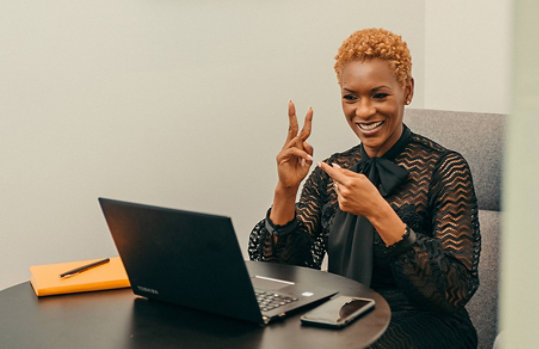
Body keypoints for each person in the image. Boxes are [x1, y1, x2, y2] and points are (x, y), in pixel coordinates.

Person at [248, 28, 480, 348]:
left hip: (427, 323)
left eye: (379, 95)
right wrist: (286, 191)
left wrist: (378, 210)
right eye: (351, 97)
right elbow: (284, 272)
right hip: (343, 315)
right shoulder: (332, 170)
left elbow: (452, 289)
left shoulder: (445, 168)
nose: (364, 111)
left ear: (407, 91)